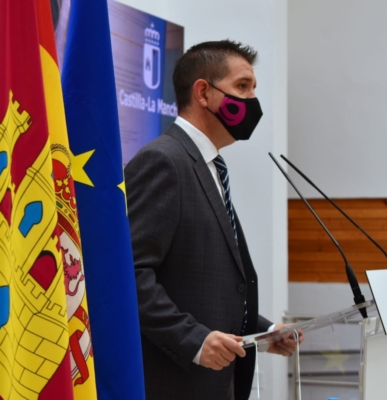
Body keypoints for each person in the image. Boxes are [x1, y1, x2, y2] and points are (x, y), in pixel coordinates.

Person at [125, 40, 302, 400]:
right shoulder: (163, 162)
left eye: (254, 88)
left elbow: (207, 284)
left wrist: (266, 332)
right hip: (174, 384)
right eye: (242, 87)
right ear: (203, 92)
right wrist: (194, 340)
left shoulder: (209, 166)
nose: (252, 100)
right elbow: (130, 273)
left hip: (215, 383)